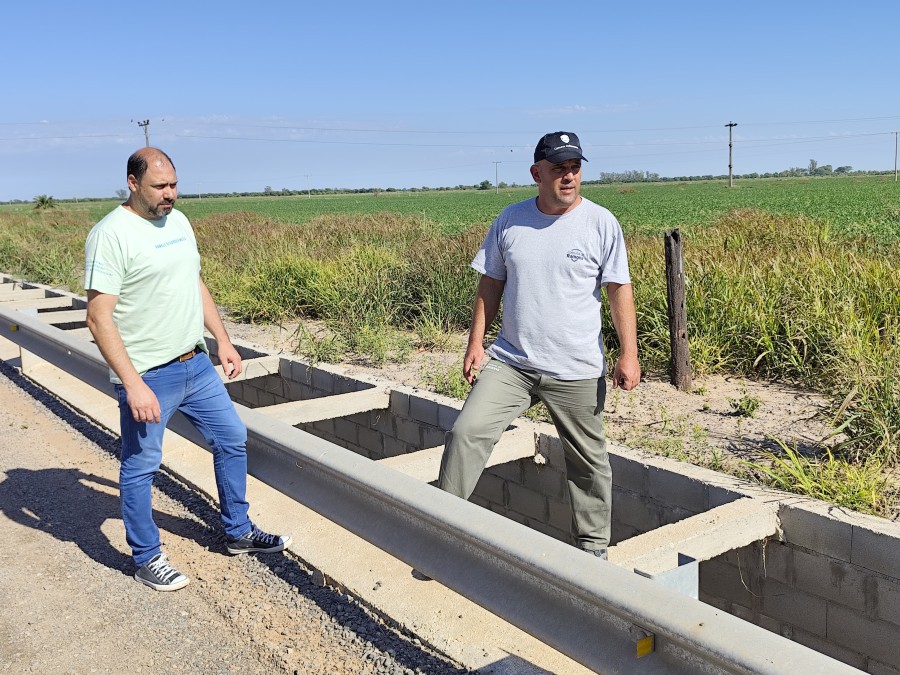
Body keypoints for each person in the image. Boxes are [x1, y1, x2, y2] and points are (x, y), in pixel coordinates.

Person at [85, 147, 291, 591]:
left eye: (174, 184)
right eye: (160, 186)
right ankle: (146, 557)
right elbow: (98, 317)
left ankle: (238, 532)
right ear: (133, 183)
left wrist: (224, 340)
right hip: (149, 376)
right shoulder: (111, 234)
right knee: (141, 466)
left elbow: (193, 282)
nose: (170, 194)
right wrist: (132, 384)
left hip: (194, 364)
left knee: (232, 438)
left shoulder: (177, 221)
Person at [437, 131, 640, 560]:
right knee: (466, 433)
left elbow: (619, 288)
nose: (568, 177)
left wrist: (629, 353)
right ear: (537, 173)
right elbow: (490, 283)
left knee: (588, 462)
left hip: (576, 368)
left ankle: (592, 553)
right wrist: (476, 343)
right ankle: (443, 530)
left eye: (575, 168)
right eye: (558, 169)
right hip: (512, 362)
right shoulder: (510, 220)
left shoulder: (601, 223)